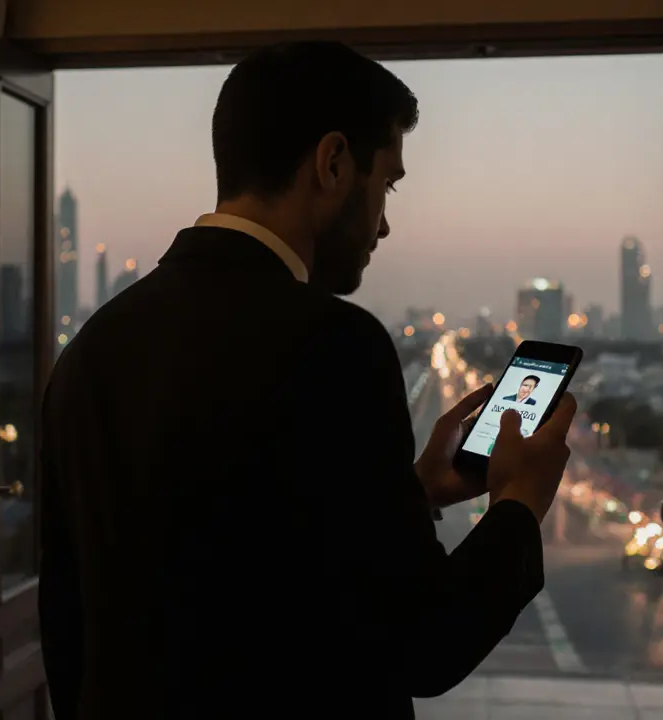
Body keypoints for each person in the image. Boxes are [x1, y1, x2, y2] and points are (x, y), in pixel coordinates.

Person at [38, 41, 577, 718]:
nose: (384, 224)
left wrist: (408, 492)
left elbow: (75, 621)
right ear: (333, 163)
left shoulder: (93, 348)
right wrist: (519, 502)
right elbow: (424, 642)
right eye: (387, 184)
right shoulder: (335, 345)